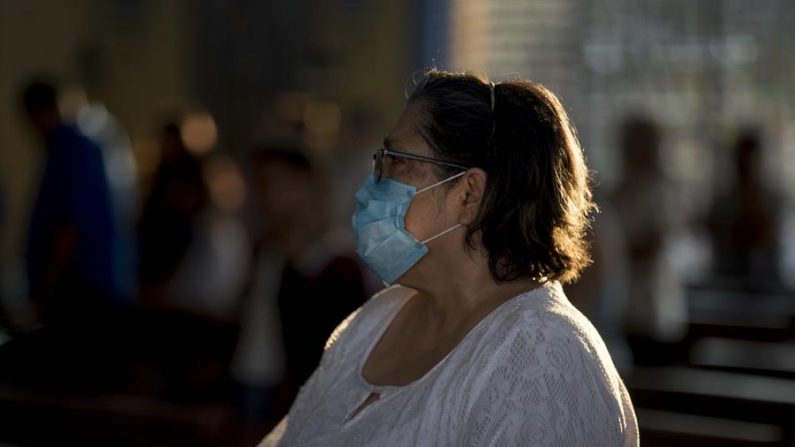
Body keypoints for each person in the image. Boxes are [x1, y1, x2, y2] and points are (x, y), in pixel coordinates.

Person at [259, 69, 638, 446]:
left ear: (468, 193)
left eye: (397, 162)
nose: (373, 183)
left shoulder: (544, 357)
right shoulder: (379, 318)